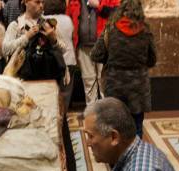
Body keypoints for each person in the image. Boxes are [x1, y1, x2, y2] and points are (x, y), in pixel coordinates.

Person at [91, 0, 155, 138]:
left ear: (120, 11)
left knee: (115, 128)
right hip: (138, 88)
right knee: (137, 127)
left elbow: (96, 54)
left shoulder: (110, 29)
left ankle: (117, 157)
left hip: (115, 86)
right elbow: (152, 60)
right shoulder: (145, 31)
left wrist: (112, 58)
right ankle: (134, 157)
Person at [44, 0, 76, 110]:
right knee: (66, 94)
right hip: (68, 59)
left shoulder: (44, 20)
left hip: (52, 61)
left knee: (51, 94)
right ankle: (63, 119)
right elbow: (73, 35)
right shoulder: (67, 19)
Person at [77, 0, 102, 105]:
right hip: (83, 46)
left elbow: (115, 10)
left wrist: (99, 6)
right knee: (88, 81)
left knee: (103, 80)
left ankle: (108, 113)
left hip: (103, 45)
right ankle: (92, 112)